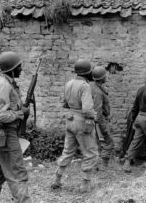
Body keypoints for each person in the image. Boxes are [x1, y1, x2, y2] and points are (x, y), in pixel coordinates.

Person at [0, 51, 32, 203]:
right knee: (17, 172)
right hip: (6, 134)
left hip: (5, 135)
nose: (21, 69)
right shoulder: (3, 85)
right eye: (19, 67)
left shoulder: (6, 82)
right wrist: (20, 114)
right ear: (11, 70)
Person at [51, 59, 98, 193]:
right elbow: (87, 109)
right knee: (91, 153)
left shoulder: (69, 83)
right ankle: (85, 184)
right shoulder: (85, 86)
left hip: (70, 119)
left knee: (67, 151)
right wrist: (94, 117)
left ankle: (57, 179)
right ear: (87, 72)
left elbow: (65, 103)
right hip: (82, 121)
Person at [90, 66, 114, 169]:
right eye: (105, 75)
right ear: (101, 78)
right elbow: (98, 111)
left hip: (96, 120)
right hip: (99, 120)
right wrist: (103, 126)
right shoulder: (98, 92)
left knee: (97, 143)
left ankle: (96, 163)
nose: (106, 76)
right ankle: (103, 165)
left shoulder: (93, 86)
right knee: (109, 142)